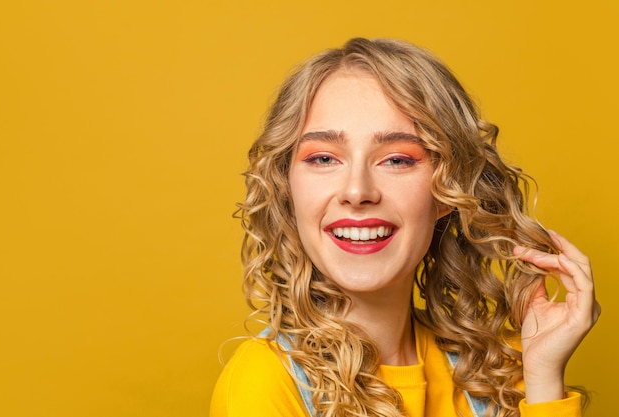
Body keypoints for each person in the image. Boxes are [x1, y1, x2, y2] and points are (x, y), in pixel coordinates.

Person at [210, 38, 600, 417]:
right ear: (287, 187)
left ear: (450, 189)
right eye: (324, 158)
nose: (357, 191)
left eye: (397, 160)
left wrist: (544, 379)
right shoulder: (263, 383)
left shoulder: (493, 370)